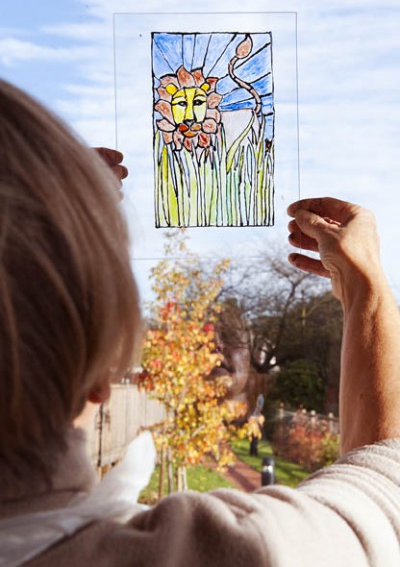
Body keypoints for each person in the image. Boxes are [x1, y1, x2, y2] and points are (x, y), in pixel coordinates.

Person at [1, 78, 400, 567]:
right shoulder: (214, 553)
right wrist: (366, 284)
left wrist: (35, 225)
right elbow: (383, 491)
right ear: (99, 375)